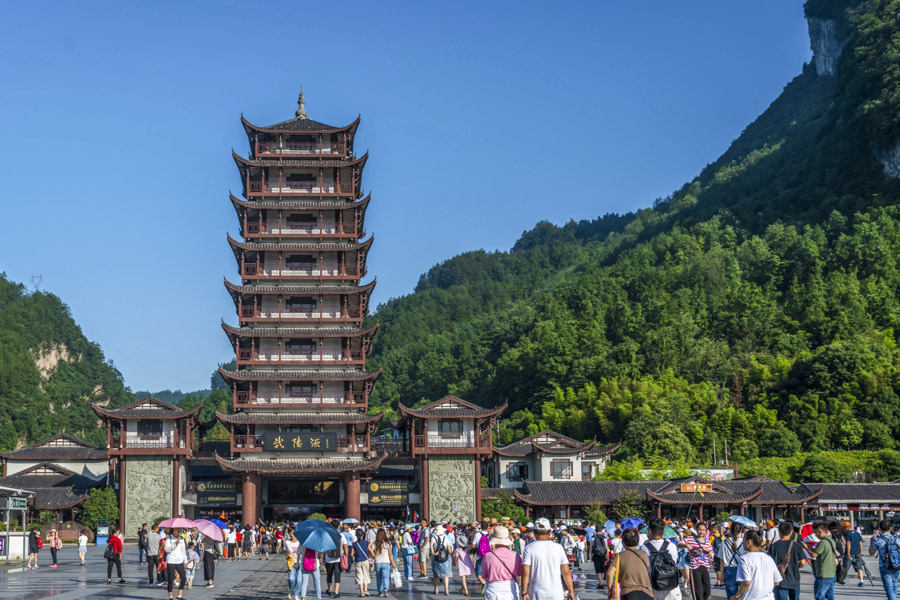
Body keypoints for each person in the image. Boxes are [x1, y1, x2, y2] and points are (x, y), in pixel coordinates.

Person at [521, 518, 575, 600]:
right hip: (556, 593)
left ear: (534, 532)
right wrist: (571, 590)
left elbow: (525, 571)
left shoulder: (529, 548)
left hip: (536, 592)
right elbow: (566, 572)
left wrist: (524, 592)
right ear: (550, 532)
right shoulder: (559, 548)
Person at [729, 529, 782, 600]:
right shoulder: (768, 558)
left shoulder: (744, 559)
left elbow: (746, 583)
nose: (743, 542)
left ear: (749, 542)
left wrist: (736, 597)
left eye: (743, 540)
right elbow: (777, 581)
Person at [641, 517, 682, 600]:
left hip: (654, 585)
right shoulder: (672, 546)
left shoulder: (644, 548)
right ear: (663, 531)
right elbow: (674, 561)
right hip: (672, 585)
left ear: (649, 531)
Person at [607, 528, 653, 600]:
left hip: (628, 593)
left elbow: (609, 574)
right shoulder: (645, 555)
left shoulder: (619, 556)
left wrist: (610, 591)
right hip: (647, 593)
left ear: (623, 542)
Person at [767, 521, 807, 600]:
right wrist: (796, 566)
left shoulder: (774, 546)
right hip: (794, 580)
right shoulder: (797, 545)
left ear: (779, 532)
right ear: (791, 532)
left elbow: (769, 564)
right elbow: (803, 562)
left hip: (780, 581)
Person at [482, 525, 523, 600]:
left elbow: (484, 575)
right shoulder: (515, 555)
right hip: (510, 588)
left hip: (493, 589)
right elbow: (520, 573)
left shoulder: (488, 556)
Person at [679, 521, 714, 600]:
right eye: (700, 530)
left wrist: (708, 551)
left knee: (707, 591)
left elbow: (711, 556)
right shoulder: (690, 539)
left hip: (705, 567)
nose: (701, 532)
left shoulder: (707, 542)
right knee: (697, 592)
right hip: (695, 568)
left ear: (706, 531)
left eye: (703, 530)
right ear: (696, 530)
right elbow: (679, 544)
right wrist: (686, 545)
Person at [804, 523, 837, 600]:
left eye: (816, 533)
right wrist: (810, 548)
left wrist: (806, 548)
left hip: (823, 574)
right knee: (830, 597)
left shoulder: (822, 542)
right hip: (831, 574)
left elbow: (814, 555)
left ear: (820, 531)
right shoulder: (831, 541)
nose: (815, 535)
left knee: (819, 596)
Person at [869, 519, 899, 600]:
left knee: (889, 588)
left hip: (884, 566)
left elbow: (871, 552)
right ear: (890, 528)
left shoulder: (877, 540)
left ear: (880, 529)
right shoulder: (896, 539)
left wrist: (871, 542)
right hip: (896, 565)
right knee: (894, 586)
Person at [717, 523, 747, 600]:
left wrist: (721, 572)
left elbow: (721, 559)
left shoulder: (724, 542)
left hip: (729, 571)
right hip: (742, 570)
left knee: (731, 596)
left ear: (730, 530)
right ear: (741, 530)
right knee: (744, 594)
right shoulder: (745, 543)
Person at [325, 520, 347, 598]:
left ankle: (330, 590)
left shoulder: (327, 535)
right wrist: (346, 556)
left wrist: (322, 557)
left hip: (328, 558)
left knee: (329, 575)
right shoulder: (341, 535)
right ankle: (336, 592)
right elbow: (345, 546)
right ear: (338, 527)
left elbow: (324, 547)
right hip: (338, 558)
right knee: (337, 575)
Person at [164, 528, 188, 600]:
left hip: (179, 561)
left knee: (183, 577)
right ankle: (170, 595)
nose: (178, 531)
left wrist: (185, 561)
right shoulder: (169, 538)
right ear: (173, 530)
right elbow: (167, 550)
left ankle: (179, 595)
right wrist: (175, 544)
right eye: (177, 530)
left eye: (179, 530)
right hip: (171, 561)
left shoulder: (181, 538)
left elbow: (183, 551)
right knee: (170, 578)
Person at [841, 522, 865, 587]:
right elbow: (860, 543)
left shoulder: (847, 534)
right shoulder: (857, 533)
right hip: (857, 553)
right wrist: (861, 552)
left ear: (845, 527)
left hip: (850, 553)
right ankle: (861, 581)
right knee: (859, 567)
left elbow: (847, 543)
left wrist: (848, 553)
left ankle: (843, 580)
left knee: (845, 567)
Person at [456, 527, 477, 596]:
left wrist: (453, 562)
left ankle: (466, 590)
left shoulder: (458, 549)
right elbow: (473, 546)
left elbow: (456, 557)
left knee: (463, 577)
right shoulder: (467, 548)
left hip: (461, 563)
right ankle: (462, 588)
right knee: (465, 577)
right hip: (467, 562)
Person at [352, 528, 371, 597]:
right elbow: (370, 550)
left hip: (358, 561)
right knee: (366, 574)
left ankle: (361, 592)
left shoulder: (354, 544)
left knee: (359, 576)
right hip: (365, 560)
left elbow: (352, 554)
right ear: (363, 534)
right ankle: (366, 590)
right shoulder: (366, 542)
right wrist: (373, 555)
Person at [286, 531, 302, 600]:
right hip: (291, 563)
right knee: (291, 579)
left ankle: (296, 595)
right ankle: (291, 590)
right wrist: (288, 554)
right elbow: (283, 550)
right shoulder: (287, 542)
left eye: (293, 533)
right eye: (290, 533)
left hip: (300, 562)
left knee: (299, 580)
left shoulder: (300, 542)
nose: (292, 535)